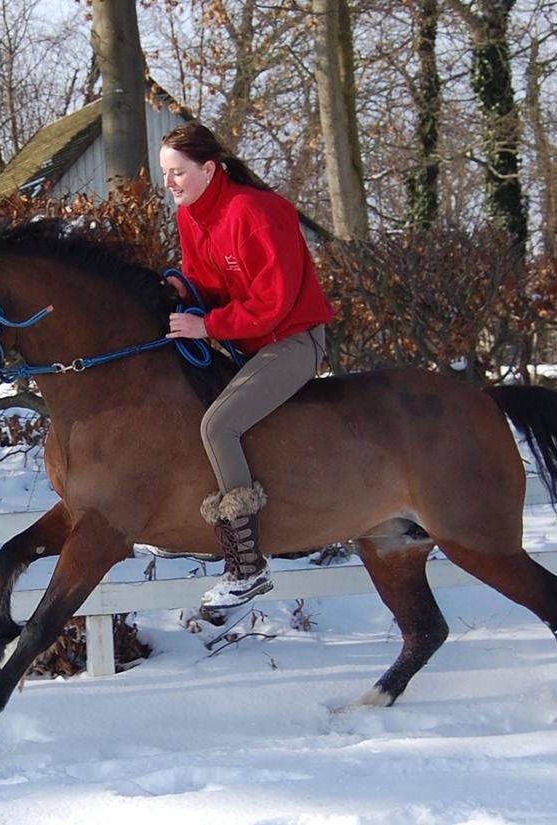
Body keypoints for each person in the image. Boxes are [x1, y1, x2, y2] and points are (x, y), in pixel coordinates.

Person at [160, 122, 334, 610]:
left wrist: (206, 325)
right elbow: (203, 281)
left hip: (291, 341)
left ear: (209, 169)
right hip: (244, 342)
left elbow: (273, 304)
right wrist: (181, 293)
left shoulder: (258, 212)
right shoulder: (192, 215)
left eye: (177, 172)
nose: (169, 183)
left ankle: (247, 567)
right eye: (165, 174)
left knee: (219, 426)